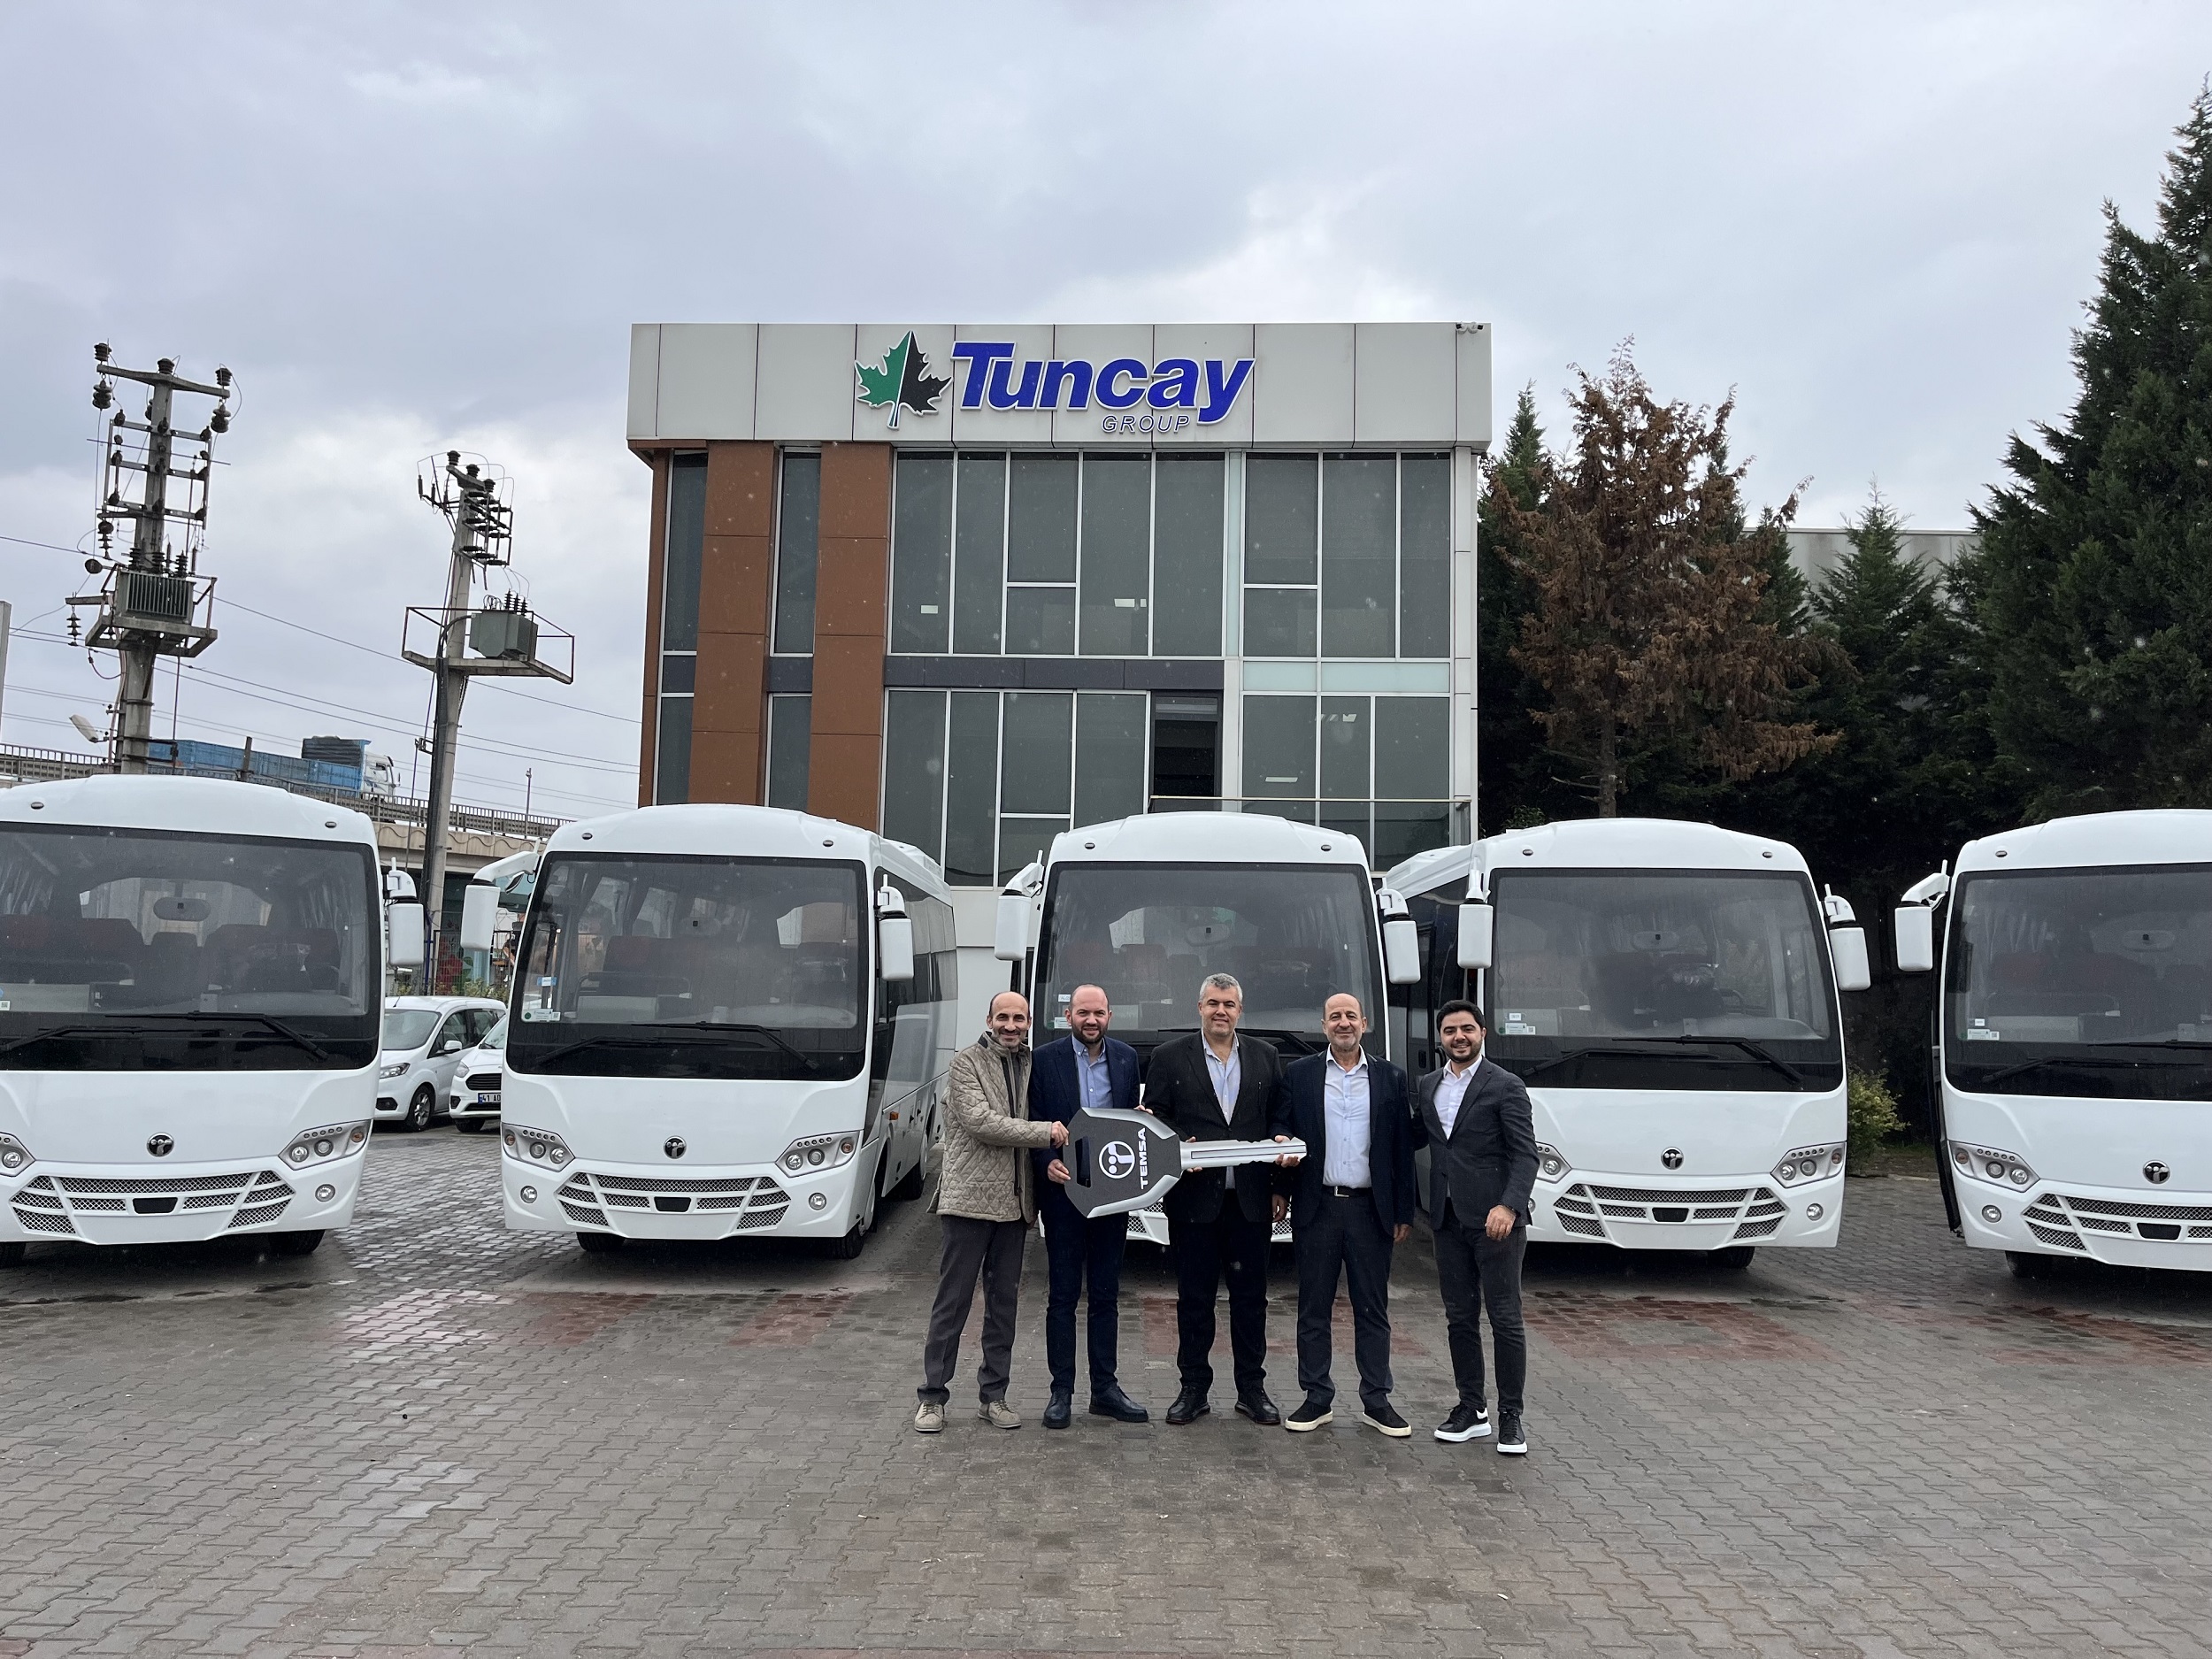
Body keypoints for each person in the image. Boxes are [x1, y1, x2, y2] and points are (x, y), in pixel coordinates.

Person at [1140, 972, 1296, 1427]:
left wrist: (1280, 1186)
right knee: (1194, 1300)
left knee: (1251, 1300)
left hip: (1251, 1201)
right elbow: (1155, 1118)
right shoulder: (1169, 1057)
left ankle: (1252, 1389)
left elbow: (1278, 1119)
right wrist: (1176, 1146)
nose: (1220, 1011)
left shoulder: (1266, 1056)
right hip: (1193, 1202)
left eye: (1228, 1004)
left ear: (1240, 1010)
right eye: (1213, 1003)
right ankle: (1193, 1389)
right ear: (1199, 1008)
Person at [914, 990, 1068, 1434]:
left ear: (1029, 1023)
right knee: (953, 1304)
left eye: (1019, 1018)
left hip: (1015, 1207)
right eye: (1003, 1017)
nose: (1011, 1026)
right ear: (989, 1020)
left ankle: (993, 1396)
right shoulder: (966, 1063)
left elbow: (1061, 1106)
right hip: (969, 1203)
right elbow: (982, 1123)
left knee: (1003, 1308)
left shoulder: (1031, 1062)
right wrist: (1045, 1133)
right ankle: (932, 1397)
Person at [1281, 992, 1417, 1437]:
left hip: (1369, 1210)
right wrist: (1279, 1188)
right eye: (1335, 1017)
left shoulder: (1390, 1077)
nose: (1343, 1023)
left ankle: (1376, 1400)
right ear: (1323, 1026)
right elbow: (1281, 1129)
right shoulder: (1299, 1074)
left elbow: (1401, 1149)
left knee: (1372, 1309)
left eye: (1351, 1016)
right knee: (1313, 1308)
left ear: (1365, 1023)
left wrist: (1403, 1210)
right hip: (1316, 1206)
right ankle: (1316, 1398)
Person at [1413, 999, 1538, 1454]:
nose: (1458, 1037)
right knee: (1460, 1318)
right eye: (1450, 1030)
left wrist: (1509, 1205)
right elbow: (1416, 1136)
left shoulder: (1506, 1085)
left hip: (1496, 1222)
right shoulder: (1429, 1084)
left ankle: (1511, 1416)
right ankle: (1472, 1408)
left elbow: (1526, 1155)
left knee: (1505, 1318)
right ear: (1440, 1037)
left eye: (1467, 1028)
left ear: (1483, 1033)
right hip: (1446, 1218)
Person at [1030, 982, 1149, 1428]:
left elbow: (1129, 1121)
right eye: (1083, 1013)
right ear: (1069, 1016)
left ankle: (1105, 1390)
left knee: (1105, 1295)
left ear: (1109, 1016)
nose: (1091, 1020)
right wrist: (1045, 1162)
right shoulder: (1045, 1060)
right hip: (1064, 1195)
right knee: (1062, 1296)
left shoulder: (1126, 1058)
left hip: (1112, 1196)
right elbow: (1033, 1118)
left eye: (1098, 1013)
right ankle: (1061, 1392)